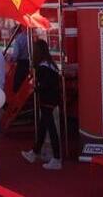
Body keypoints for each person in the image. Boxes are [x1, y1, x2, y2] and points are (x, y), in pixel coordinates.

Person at [21, 38, 62, 170]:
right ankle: (35, 152)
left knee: (50, 128)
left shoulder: (43, 67)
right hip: (51, 100)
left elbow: (44, 85)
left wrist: (36, 88)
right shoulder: (50, 65)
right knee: (43, 127)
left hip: (47, 101)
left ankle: (56, 158)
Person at [8, 27, 30, 93]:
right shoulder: (28, 37)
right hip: (28, 62)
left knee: (18, 83)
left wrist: (10, 58)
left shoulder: (17, 40)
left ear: (15, 32)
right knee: (25, 82)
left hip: (21, 63)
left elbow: (16, 55)